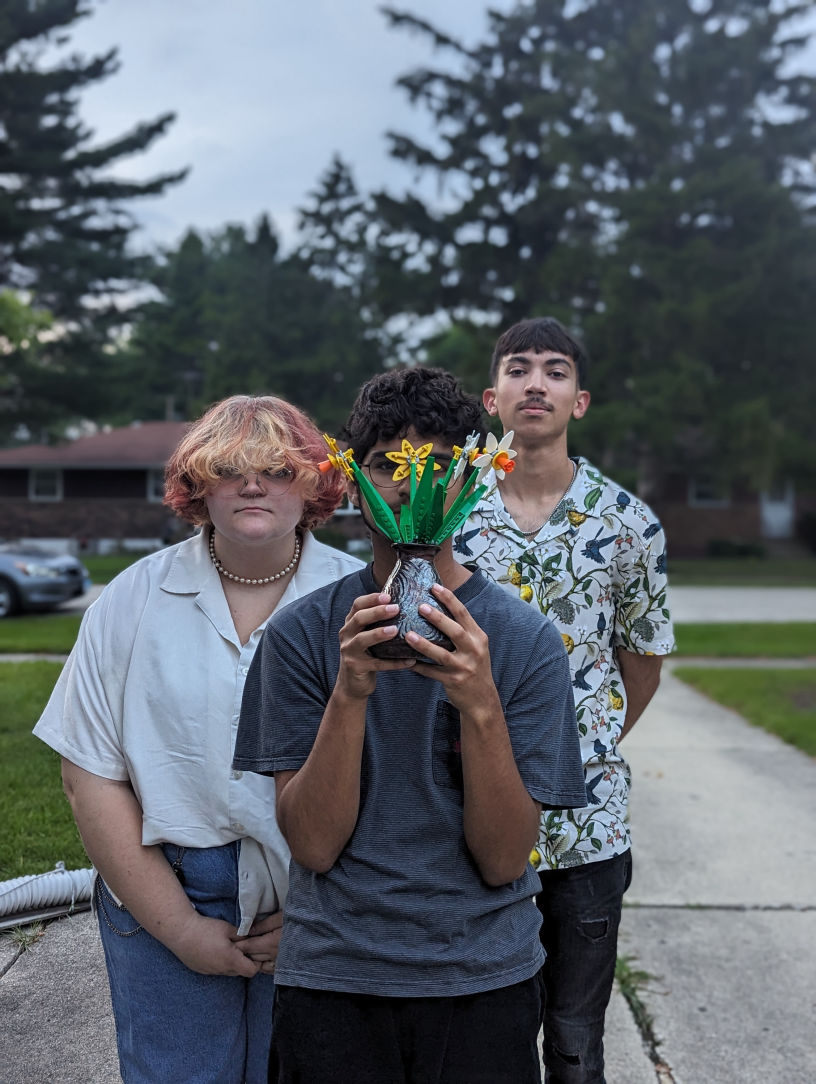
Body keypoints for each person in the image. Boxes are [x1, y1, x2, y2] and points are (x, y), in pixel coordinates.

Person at [233, 367, 587, 1084]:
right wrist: (351, 692)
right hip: (335, 976)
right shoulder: (303, 636)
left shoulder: (523, 643)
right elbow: (313, 844)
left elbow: (503, 859)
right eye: (387, 464)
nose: (406, 483)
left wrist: (481, 705)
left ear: (469, 478)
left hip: (482, 976)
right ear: (354, 481)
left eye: (431, 464)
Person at [33, 394, 364, 1084]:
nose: (252, 484)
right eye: (229, 468)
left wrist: (313, 912)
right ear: (196, 488)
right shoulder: (131, 599)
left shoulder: (357, 602)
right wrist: (179, 927)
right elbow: (87, 772)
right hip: (161, 892)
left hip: (326, 899)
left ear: (315, 484)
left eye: (277, 467)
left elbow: (394, 783)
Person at [455, 318, 675, 1084]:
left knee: (576, 1042)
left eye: (555, 371)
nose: (537, 383)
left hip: (587, 826)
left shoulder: (628, 524)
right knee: (485, 1035)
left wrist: (588, 737)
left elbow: (642, 660)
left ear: (580, 401)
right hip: (464, 816)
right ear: (493, 397)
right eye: (519, 369)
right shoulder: (447, 514)